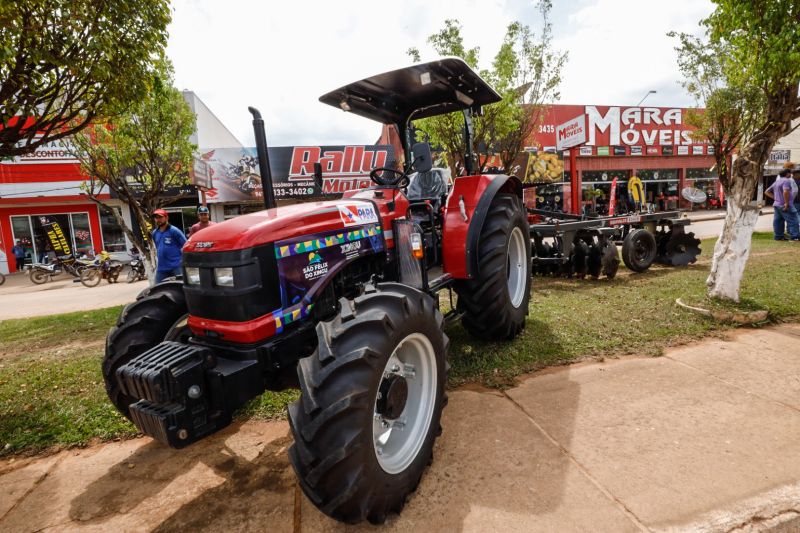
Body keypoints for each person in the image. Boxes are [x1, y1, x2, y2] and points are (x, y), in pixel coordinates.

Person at [151, 209, 187, 282]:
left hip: (176, 266)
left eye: (160, 217)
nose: (158, 220)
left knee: (181, 286)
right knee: (158, 288)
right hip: (162, 267)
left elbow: (186, 245)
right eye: (156, 218)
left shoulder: (174, 231)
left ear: (166, 218)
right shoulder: (155, 233)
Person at [765, 167, 799, 241]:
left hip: (777, 204)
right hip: (785, 204)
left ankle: (778, 236)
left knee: (778, 221)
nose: (791, 174)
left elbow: (767, 191)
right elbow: (785, 191)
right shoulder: (787, 181)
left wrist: (776, 198)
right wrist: (786, 203)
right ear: (787, 174)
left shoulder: (777, 181)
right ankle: (795, 237)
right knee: (794, 220)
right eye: (790, 173)